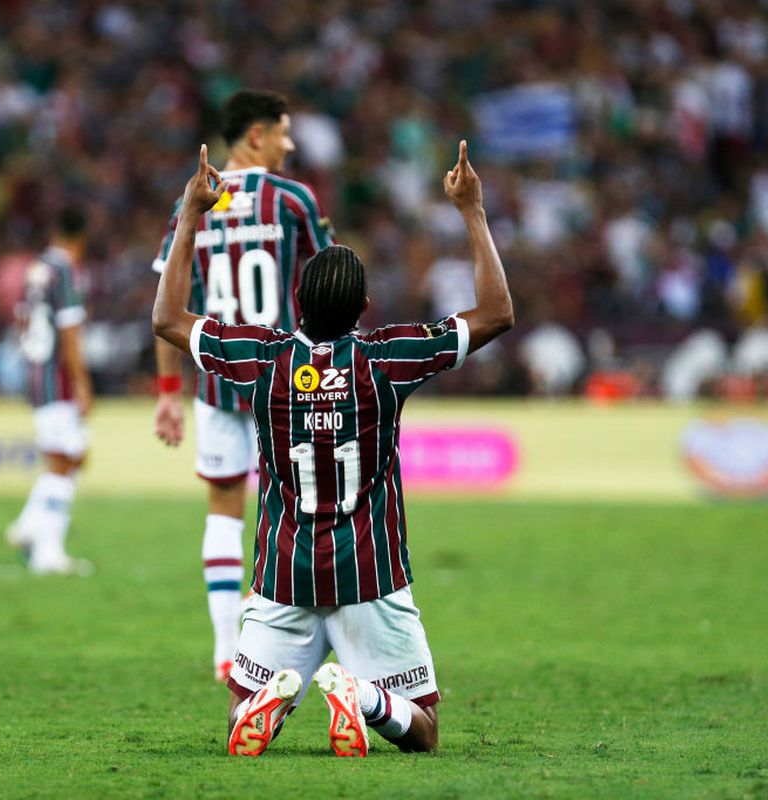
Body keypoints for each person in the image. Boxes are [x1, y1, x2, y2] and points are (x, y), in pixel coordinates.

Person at [152, 141, 513, 756]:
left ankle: (267, 703)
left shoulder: (261, 357)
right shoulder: (387, 359)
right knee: (423, 728)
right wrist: (472, 211)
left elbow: (167, 319)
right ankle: (365, 698)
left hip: (282, 577)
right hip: (370, 576)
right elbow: (497, 313)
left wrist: (190, 214)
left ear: (298, 301)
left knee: (240, 708)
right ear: (364, 307)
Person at [151, 89, 334, 682]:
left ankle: (226, 648)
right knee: (298, 508)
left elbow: (168, 302)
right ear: (256, 135)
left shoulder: (192, 202)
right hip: (286, 381)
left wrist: (167, 391)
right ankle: (291, 641)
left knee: (224, 508)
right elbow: (332, 283)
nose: (291, 144)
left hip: (215, 379)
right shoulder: (292, 198)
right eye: (283, 131)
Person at [5, 205, 95, 576]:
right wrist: (82, 382)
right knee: (63, 461)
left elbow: (22, 318)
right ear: (81, 238)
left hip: (35, 371)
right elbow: (70, 331)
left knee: (73, 456)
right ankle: (48, 553)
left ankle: (28, 526)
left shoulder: (37, 269)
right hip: (57, 378)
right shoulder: (65, 271)